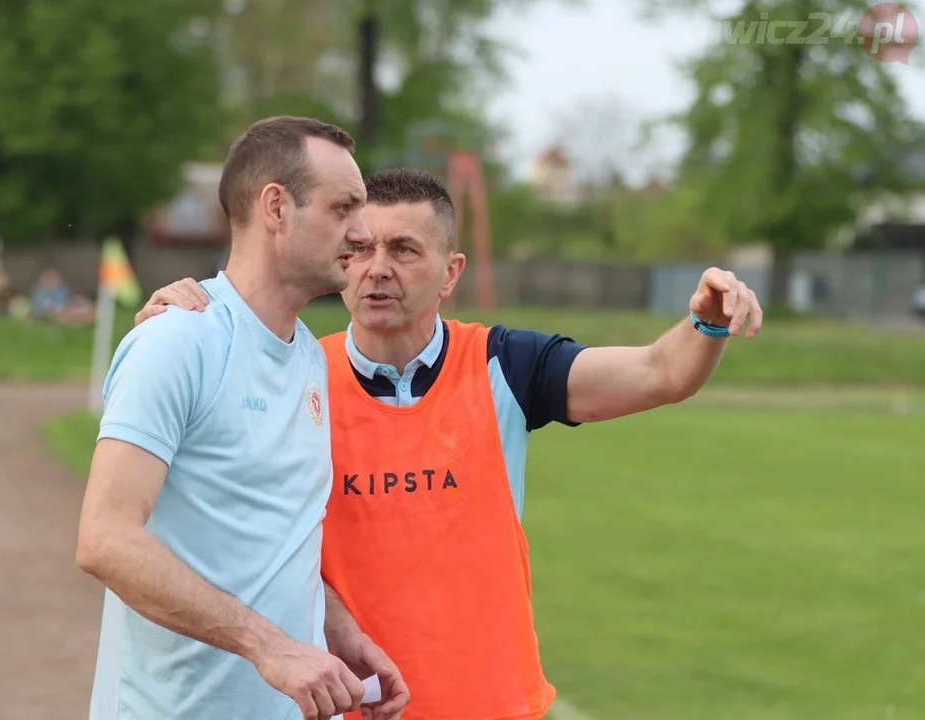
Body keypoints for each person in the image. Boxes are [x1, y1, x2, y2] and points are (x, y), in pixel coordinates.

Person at [136, 168, 764, 720]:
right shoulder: (291, 372)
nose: (378, 267)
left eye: (404, 249)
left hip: (492, 706)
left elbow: (661, 373)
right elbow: (194, 413)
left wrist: (706, 318)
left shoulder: (503, 365)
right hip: (344, 704)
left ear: (450, 272)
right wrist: (176, 325)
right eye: (362, 247)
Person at [75, 116, 410, 720]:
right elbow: (106, 539)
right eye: (344, 209)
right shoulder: (178, 341)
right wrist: (270, 648)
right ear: (276, 207)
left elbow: (276, 539)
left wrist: (339, 631)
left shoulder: (309, 354)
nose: (362, 233)